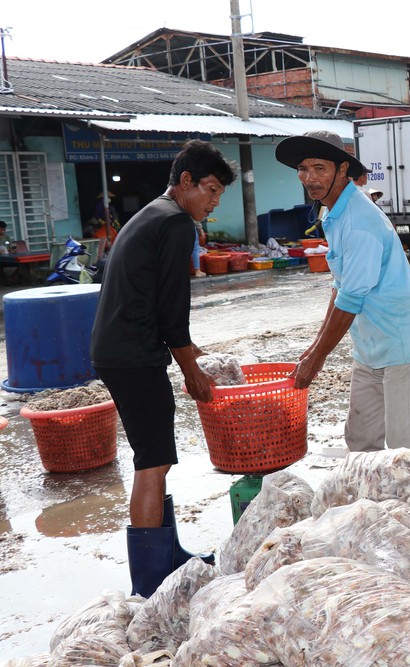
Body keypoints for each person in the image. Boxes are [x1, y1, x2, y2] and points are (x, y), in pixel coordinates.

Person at [90, 140, 236, 598]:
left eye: (220, 195)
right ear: (186, 181)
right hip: (133, 355)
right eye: (210, 190)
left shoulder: (154, 212)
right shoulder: (175, 223)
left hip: (121, 350)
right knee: (152, 462)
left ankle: (168, 553)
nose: (212, 202)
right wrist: (192, 369)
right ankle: (150, 583)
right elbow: (173, 311)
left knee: (158, 456)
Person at [275, 130, 410, 453]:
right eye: (303, 169)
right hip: (369, 347)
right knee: (360, 441)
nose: (310, 178)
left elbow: (350, 300)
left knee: (406, 449)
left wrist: (316, 360)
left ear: (342, 169)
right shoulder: (334, 212)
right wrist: (314, 346)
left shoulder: (359, 220)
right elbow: (341, 285)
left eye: (320, 168)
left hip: (399, 344)